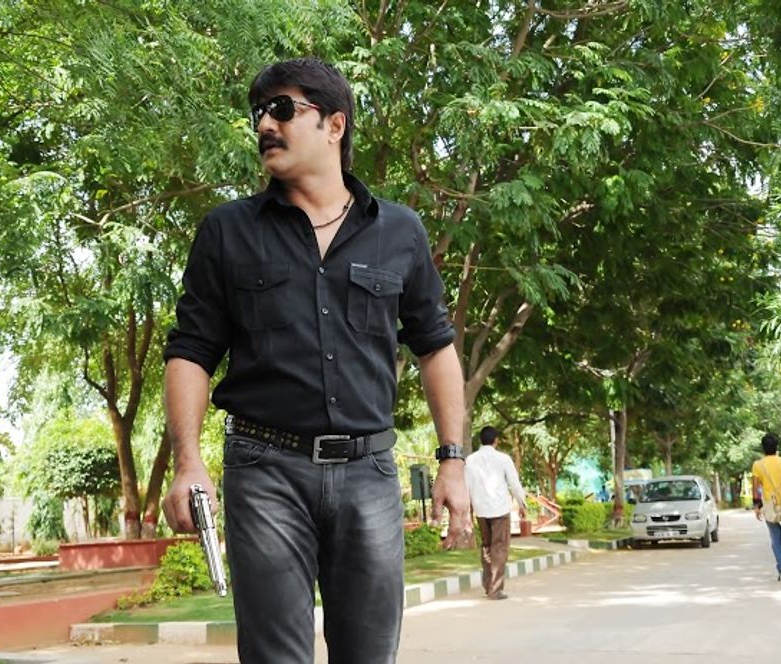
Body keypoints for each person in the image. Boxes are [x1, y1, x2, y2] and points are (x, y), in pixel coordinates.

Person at [160, 58, 470, 664]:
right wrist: (187, 462)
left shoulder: (399, 231)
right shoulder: (227, 231)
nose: (264, 126)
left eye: (282, 110)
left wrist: (452, 463)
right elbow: (191, 350)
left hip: (369, 473)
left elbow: (435, 347)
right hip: (265, 471)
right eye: (259, 114)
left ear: (334, 124)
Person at [464, 426, 527, 600]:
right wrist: (522, 504)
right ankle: (495, 589)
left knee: (486, 546)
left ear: (480, 440)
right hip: (500, 509)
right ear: (496, 440)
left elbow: (466, 486)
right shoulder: (503, 459)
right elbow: (514, 483)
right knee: (499, 547)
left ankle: (488, 585)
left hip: (480, 510)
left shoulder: (470, 460)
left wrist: (468, 511)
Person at [750, 433, 781, 580]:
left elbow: (755, 488)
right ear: (777, 447)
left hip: (769, 505)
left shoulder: (758, 465)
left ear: (763, 448)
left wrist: (757, 506)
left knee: (775, 540)